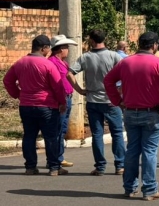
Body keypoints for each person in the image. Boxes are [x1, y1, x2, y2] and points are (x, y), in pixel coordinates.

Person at [103, 32, 159, 200]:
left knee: (132, 150)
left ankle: (129, 187)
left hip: (130, 112)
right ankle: (150, 190)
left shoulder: (125, 62)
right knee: (149, 151)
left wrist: (118, 101)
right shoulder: (158, 63)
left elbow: (108, 80)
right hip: (152, 113)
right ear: (153, 46)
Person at [2, 35, 67, 175]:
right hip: (47, 106)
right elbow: (58, 87)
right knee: (51, 137)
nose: (49, 51)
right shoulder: (48, 64)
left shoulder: (20, 63)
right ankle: (54, 167)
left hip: (26, 106)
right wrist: (62, 102)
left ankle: (30, 167)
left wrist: (18, 94)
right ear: (44, 48)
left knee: (29, 136)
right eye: (48, 48)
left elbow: (7, 81)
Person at [69, 29, 126, 176]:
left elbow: (69, 74)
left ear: (92, 40)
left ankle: (100, 167)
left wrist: (80, 90)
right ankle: (120, 165)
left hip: (93, 100)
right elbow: (126, 73)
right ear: (104, 39)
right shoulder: (114, 56)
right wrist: (120, 90)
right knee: (117, 133)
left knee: (97, 134)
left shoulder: (85, 57)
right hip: (111, 101)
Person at [49, 35, 78, 169]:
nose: (68, 50)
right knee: (57, 129)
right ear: (60, 49)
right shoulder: (52, 62)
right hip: (60, 100)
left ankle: (59, 156)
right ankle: (56, 158)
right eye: (66, 47)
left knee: (62, 129)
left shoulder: (63, 63)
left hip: (68, 97)